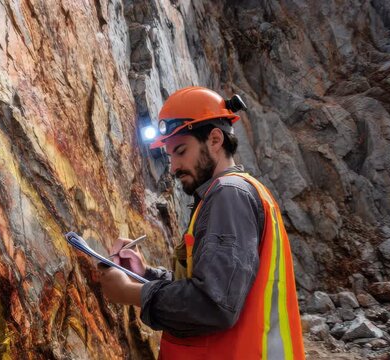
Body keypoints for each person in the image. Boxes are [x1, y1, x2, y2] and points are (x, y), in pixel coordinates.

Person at [98, 86, 305, 359]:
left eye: (181, 151)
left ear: (215, 140)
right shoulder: (233, 194)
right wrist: (145, 274)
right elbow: (215, 284)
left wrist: (130, 292)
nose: (173, 167)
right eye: (170, 156)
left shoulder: (229, 195)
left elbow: (213, 304)